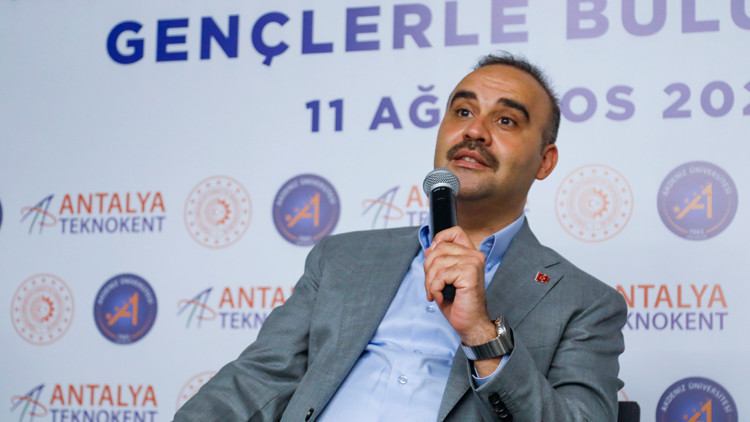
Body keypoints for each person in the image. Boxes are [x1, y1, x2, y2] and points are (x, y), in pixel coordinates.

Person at [173, 52, 627, 422]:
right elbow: (257, 381)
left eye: (506, 121)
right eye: (463, 112)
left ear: (546, 162)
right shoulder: (343, 258)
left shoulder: (584, 302)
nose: (474, 131)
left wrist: (481, 334)